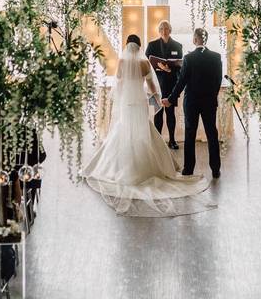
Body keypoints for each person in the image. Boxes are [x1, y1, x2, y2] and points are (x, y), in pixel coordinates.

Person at [83, 34, 211, 216]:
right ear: (140, 46)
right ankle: (151, 165)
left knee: (124, 130)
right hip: (140, 103)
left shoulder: (122, 62)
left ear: (127, 46)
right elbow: (151, 84)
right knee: (143, 130)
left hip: (127, 103)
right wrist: (157, 99)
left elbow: (118, 83)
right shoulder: (143, 63)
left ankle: (122, 165)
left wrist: (121, 98)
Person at [164, 28, 223, 178]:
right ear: (205, 40)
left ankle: (188, 169)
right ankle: (215, 169)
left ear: (195, 39)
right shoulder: (216, 57)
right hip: (209, 101)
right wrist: (211, 95)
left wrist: (171, 99)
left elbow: (181, 82)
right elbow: (218, 81)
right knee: (212, 133)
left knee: (190, 134)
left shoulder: (189, 58)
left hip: (191, 102)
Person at [145, 20, 184, 150]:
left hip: (171, 85)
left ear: (170, 30)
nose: (164, 30)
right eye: (161, 28)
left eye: (166, 28)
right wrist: (159, 67)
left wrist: (170, 69)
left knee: (170, 113)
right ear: (158, 30)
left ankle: (172, 140)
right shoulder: (152, 45)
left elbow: (180, 66)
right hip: (156, 85)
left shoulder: (178, 46)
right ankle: (158, 141)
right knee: (158, 113)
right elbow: (146, 65)